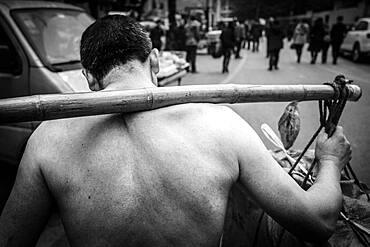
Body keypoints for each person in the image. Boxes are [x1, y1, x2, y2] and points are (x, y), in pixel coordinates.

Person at [0, 15, 351, 247]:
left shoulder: (48, 139)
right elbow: (318, 221)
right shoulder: (219, 123)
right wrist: (331, 158)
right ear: (154, 60)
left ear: (90, 77)